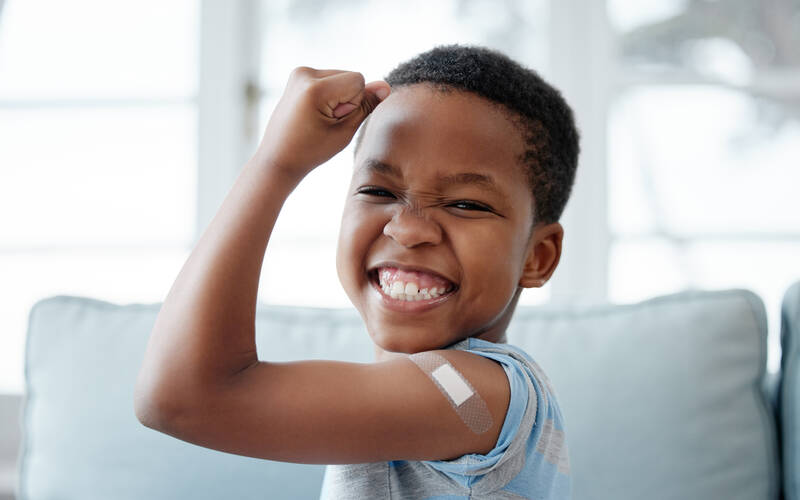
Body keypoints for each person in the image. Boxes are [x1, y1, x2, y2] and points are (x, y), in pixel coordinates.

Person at [134, 43, 580, 499]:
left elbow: (183, 398)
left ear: (537, 257)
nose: (407, 229)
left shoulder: (477, 396)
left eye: (466, 204)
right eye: (377, 190)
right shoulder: (434, 400)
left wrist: (276, 163)